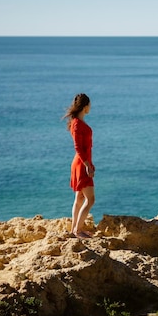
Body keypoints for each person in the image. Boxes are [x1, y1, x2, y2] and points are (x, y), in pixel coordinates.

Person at [63, 93, 95, 239]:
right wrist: (87, 165)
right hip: (81, 164)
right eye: (89, 105)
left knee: (80, 198)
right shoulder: (76, 124)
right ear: (85, 106)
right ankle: (78, 229)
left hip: (82, 162)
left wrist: (89, 163)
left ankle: (74, 230)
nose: (90, 107)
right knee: (90, 199)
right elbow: (78, 147)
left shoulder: (79, 122)